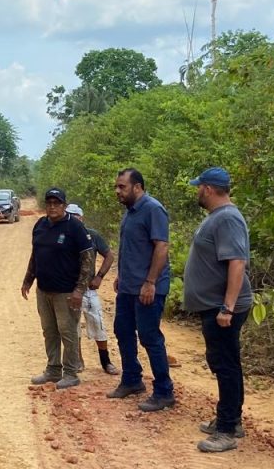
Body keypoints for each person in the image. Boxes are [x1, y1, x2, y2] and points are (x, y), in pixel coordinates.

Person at [182, 167, 253, 453]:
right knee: (224, 362)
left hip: (222, 307)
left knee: (225, 365)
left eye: (199, 186)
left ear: (209, 189)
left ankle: (226, 431)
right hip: (214, 305)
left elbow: (237, 262)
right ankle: (230, 420)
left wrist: (227, 307)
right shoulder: (217, 217)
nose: (197, 190)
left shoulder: (228, 218)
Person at [107, 168, 175, 411]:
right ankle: (132, 379)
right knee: (122, 330)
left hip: (148, 288)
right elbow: (131, 248)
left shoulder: (153, 209)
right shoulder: (130, 212)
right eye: (116, 186)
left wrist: (150, 282)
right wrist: (121, 277)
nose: (117, 191)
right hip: (128, 286)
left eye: (122, 187)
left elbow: (161, 247)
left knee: (149, 336)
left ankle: (164, 391)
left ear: (137, 187)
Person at [21, 187, 95, 389]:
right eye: (49, 203)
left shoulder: (75, 227)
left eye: (57, 203)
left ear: (64, 205)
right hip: (44, 290)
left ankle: (70, 373)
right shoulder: (40, 225)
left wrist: (79, 290)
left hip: (67, 292)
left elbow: (87, 261)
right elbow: (36, 255)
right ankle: (53, 369)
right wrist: (28, 279)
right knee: (49, 331)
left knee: (68, 331)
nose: (53, 207)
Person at [66, 203, 120, 376]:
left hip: (88, 289)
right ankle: (78, 361)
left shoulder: (92, 235)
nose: (73, 218)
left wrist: (99, 276)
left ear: (81, 217)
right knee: (73, 327)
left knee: (97, 323)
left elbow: (109, 255)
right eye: (70, 215)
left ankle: (106, 362)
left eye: (76, 215)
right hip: (69, 288)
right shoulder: (63, 235)